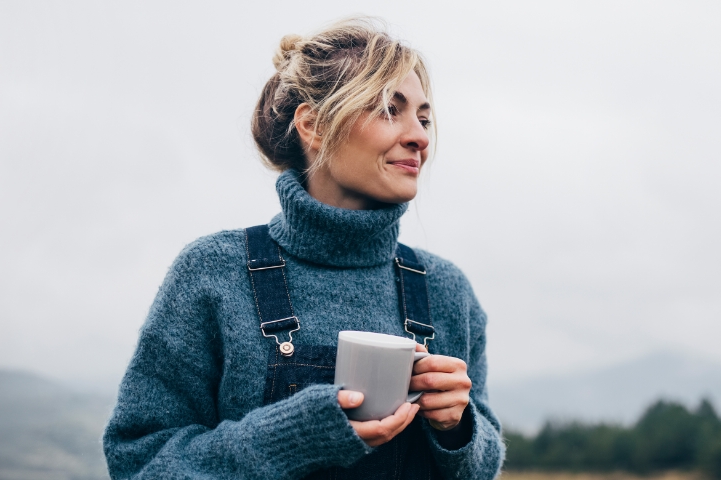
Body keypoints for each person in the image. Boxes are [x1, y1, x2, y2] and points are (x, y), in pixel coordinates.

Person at [102, 18, 505, 480]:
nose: (420, 136)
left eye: (424, 117)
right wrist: (297, 435)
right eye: (389, 110)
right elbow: (139, 462)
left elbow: (483, 466)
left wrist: (457, 429)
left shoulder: (447, 290)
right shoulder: (213, 273)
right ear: (313, 126)